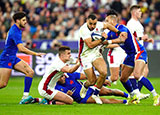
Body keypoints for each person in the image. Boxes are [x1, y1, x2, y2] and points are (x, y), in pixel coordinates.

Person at [103, 10, 160, 106]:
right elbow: (105, 43)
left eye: (107, 21)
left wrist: (108, 42)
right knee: (123, 78)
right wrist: (102, 39)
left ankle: (156, 95)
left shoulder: (122, 27)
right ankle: (134, 95)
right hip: (130, 55)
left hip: (139, 52)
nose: (105, 23)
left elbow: (123, 39)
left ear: (112, 21)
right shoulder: (110, 34)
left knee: (137, 75)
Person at [0, 11, 46, 104]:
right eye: (23, 20)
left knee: (30, 72)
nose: (26, 22)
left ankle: (25, 97)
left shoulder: (16, 29)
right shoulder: (15, 31)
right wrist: (35, 54)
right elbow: (21, 49)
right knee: (3, 84)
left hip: (13, 57)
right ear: (17, 21)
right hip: (7, 58)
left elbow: (16, 45)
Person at [78, 13, 122, 104]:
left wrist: (118, 32)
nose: (92, 26)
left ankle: (96, 93)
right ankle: (85, 85)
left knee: (104, 72)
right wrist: (102, 39)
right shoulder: (83, 30)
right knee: (92, 80)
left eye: (94, 24)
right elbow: (90, 45)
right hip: (85, 55)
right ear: (87, 21)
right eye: (90, 24)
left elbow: (108, 26)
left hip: (95, 54)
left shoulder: (99, 24)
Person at [39, 72, 129, 105]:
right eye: (59, 77)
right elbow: (63, 98)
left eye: (62, 76)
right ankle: (125, 102)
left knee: (108, 91)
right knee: (104, 100)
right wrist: (67, 95)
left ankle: (128, 96)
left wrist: (102, 80)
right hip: (83, 98)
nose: (62, 78)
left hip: (89, 89)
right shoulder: (56, 87)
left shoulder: (70, 75)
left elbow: (85, 76)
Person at [127, 5, 154, 98]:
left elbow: (138, 37)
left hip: (141, 48)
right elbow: (128, 37)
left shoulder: (138, 23)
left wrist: (147, 40)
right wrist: (142, 38)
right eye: (139, 11)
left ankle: (137, 93)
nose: (141, 13)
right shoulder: (130, 24)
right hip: (135, 50)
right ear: (134, 13)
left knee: (145, 72)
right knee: (136, 73)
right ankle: (136, 93)